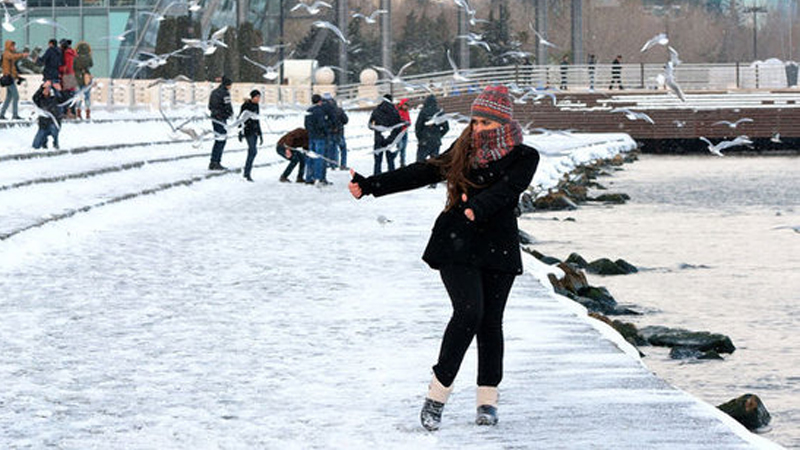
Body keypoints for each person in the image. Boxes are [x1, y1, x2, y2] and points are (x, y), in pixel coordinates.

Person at [348, 85, 540, 431]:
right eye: (475, 120)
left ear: (502, 123)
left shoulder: (526, 156)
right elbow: (424, 171)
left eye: (485, 122)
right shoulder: (462, 149)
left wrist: (477, 208)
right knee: (469, 312)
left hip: (498, 245)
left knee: (490, 322)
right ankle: (436, 397)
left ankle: (487, 400)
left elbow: (507, 190)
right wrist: (372, 185)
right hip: (457, 242)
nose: (477, 128)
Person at [414, 94, 450, 186]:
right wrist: (438, 136)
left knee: (420, 162)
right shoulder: (440, 112)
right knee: (435, 163)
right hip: (436, 142)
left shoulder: (423, 111)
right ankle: (433, 182)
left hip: (424, 141)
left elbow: (418, 126)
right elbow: (446, 127)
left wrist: (420, 137)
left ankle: (418, 180)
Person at [369, 93, 404, 175]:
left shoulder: (376, 110)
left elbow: (370, 125)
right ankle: (391, 179)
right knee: (391, 161)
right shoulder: (394, 111)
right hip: (390, 139)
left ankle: (376, 179)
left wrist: (378, 130)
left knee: (378, 162)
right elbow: (398, 126)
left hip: (379, 138)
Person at [303, 93, 331, 185]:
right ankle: (318, 177)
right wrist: (326, 131)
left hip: (311, 136)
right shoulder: (320, 111)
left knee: (311, 157)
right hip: (320, 137)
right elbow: (321, 124)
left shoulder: (308, 110)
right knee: (319, 158)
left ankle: (309, 177)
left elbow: (306, 125)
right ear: (320, 101)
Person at [208, 76, 233, 170]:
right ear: (227, 85)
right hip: (221, 119)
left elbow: (210, 106)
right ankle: (215, 162)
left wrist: (215, 112)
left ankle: (213, 162)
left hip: (214, 118)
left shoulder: (214, 92)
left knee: (218, 139)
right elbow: (228, 106)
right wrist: (229, 114)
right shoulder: (225, 93)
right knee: (221, 140)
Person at [238, 89, 263, 182]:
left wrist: (260, 133)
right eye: (257, 97)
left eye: (259, 97)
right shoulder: (245, 106)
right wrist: (240, 132)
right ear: (252, 97)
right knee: (253, 150)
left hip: (255, 130)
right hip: (248, 131)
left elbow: (257, 119)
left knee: (253, 152)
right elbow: (240, 119)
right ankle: (246, 173)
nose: (258, 99)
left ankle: (247, 173)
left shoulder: (256, 106)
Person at [1, 40, 29, 120]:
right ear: (8, 46)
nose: (14, 47)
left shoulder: (10, 54)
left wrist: (17, 77)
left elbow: (12, 69)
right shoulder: (6, 53)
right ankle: (15, 115)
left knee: (9, 97)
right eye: (12, 46)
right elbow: (12, 57)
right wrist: (22, 55)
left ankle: (1, 114)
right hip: (8, 78)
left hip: (10, 78)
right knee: (16, 96)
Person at [32, 80, 63, 149]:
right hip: (43, 125)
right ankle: (44, 142)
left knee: (54, 130)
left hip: (53, 124)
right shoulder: (39, 100)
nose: (46, 91)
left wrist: (59, 90)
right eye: (44, 89)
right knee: (35, 145)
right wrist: (42, 87)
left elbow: (63, 100)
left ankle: (55, 143)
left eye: (47, 89)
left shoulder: (54, 99)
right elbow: (34, 98)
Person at [73, 41, 93, 120]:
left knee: (79, 96)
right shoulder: (88, 57)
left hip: (77, 77)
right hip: (86, 77)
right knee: (87, 96)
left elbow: (73, 66)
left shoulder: (76, 57)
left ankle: (78, 113)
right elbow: (91, 65)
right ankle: (88, 112)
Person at [58, 39, 77, 119]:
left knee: (66, 95)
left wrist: (60, 69)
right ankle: (72, 112)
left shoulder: (67, 53)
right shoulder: (72, 52)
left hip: (67, 76)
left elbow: (68, 67)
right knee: (71, 95)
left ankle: (68, 112)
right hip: (72, 76)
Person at [329, 96, 349, 169]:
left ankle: (333, 164)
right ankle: (343, 164)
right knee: (343, 149)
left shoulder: (326, 112)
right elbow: (346, 120)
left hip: (330, 133)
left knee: (333, 149)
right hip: (340, 132)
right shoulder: (339, 110)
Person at [396, 98, 411, 167]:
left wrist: (408, 123)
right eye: (405, 105)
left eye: (407, 106)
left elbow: (409, 121)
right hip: (398, 132)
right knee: (400, 147)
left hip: (405, 131)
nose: (406, 107)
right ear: (402, 105)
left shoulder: (406, 112)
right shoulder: (397, 111)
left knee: (404, 148)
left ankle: (402, 162)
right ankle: (393, 158)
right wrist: (402, 122)